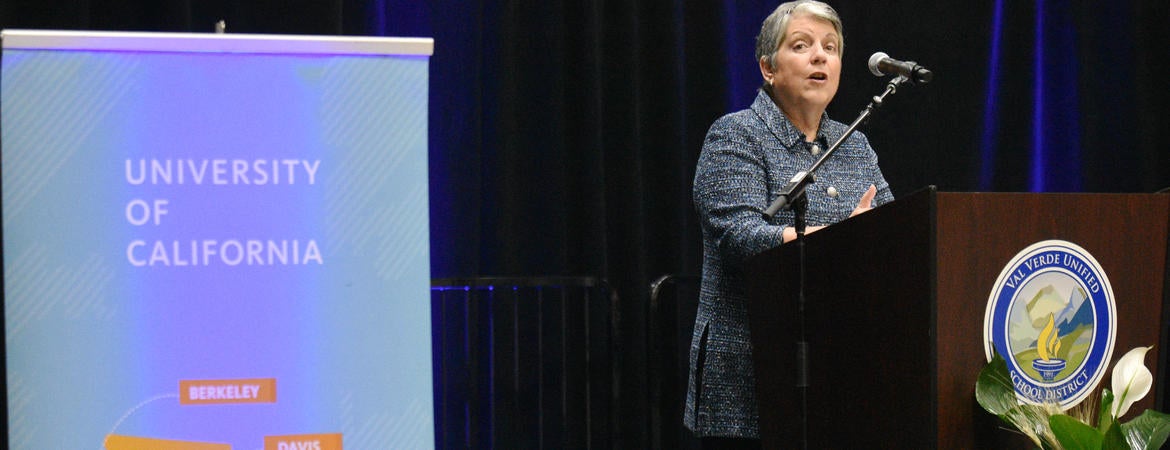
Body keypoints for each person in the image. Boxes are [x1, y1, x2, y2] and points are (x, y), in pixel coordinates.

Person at [684, 1, 894, 447]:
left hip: (841, 373)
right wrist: (842, 240)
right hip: (752, 374)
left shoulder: (854, 144)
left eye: (831, 47)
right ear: (768, 68)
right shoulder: (736, 135)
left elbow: (894, 230)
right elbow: (740, 237)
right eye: (802, 45)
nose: (820, 56)